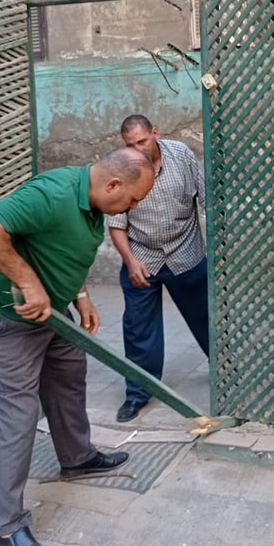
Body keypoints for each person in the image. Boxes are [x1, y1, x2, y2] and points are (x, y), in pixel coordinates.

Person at [0, 147, 156, 546]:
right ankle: (7, 529)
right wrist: (29, 283)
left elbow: (62, 250)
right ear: (113, 184)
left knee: (69, 374)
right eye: (134, 199)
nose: (134, 208)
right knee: (19, 415)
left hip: (48, 314)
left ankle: (77, 457)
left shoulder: (92, 202)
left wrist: (79, 296)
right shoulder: (53, 194)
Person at [107, 115, 209, 423]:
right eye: (130, 144)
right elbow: (116, 223)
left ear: (155, 133)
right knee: (138, 330)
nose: (137, 149)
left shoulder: (181, 155)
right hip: (141, 258)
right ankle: (137, 394)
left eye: (142, 141)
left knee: (209, 321)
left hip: (186, 254)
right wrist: (130, 261)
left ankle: (230, 377)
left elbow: (206, 200)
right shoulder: (121, 167)